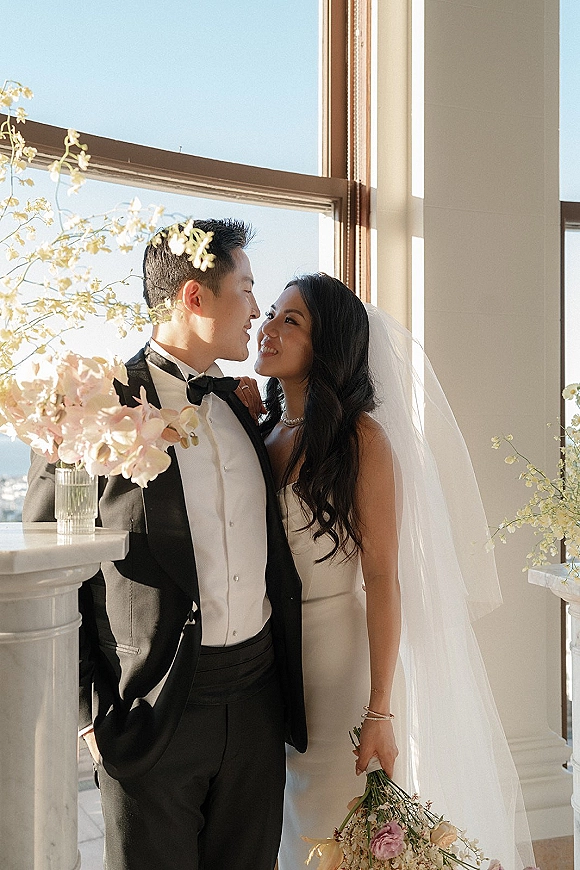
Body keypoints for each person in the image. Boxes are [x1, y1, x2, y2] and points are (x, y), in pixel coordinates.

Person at [22, 219, 307, 870]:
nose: (257, 309)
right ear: (195, 298)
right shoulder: (93, 408)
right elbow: (48, 569)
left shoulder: (240, 409)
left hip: (259, 703)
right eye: (246, 287)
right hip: (152, 713)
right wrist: (87, 719)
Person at [254, 273, 535, 870]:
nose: (268, 327)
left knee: (333, 826)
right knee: (286, 829)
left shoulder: (361, 440)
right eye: (272, 313)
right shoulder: (264, 432)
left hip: (338, 663)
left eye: (290, 320)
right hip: (269, 657)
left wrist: (378, 709)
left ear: (325, 345)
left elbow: (383, 575)